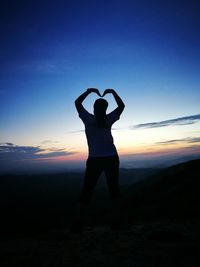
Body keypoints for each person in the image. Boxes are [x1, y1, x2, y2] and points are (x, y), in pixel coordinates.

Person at [72, 88, 125, 231]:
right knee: (114, 190)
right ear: (106, 109)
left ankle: (78, 224)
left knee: (87, 191)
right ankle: (117, 222)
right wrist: (113, 93)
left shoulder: (88, 119)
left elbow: (77, 102)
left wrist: (89, 91)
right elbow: (121, 106)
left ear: (94, 108)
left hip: (94, 159)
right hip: (112, 158)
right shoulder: (109, 119)